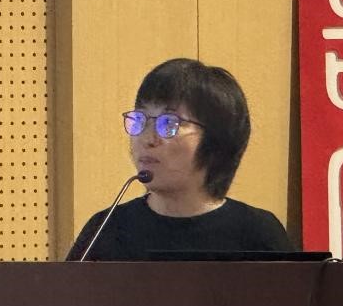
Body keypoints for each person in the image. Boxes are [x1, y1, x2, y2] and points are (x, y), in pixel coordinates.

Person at [66, 57, 293, 260]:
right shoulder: (106, 229)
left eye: (168, 123)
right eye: (141, 120)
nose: (148, 139)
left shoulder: (258, 235)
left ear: (216, 141)